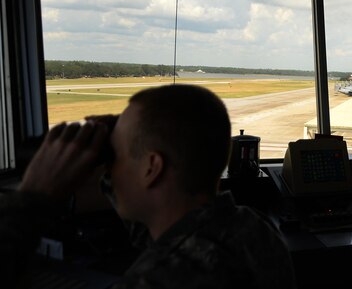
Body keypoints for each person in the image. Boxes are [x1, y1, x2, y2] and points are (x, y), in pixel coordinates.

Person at [0, 84, 296, 289]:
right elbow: (163, 236)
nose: (110, 170)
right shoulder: (250, 230)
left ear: (152, 168)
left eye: (114, 157)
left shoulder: (162, 277)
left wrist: (33, 198)